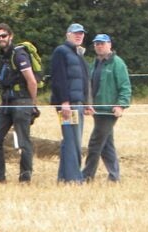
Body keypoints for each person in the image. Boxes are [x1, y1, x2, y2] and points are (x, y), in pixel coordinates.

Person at [0, 22, 39, 183]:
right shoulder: (2, 56)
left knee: (24, 141)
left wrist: (33, 104)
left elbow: (32, 81)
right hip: (6, 102)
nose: (1, 39)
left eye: (3, 35)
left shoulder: (19, 55)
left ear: (10, 36)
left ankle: (25, 178)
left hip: (22, 100)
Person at [83, 34, 131, 183]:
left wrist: (121, 105)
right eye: (96, 44)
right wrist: (87, 104)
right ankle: (114, 176)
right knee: (106, 145)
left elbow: (125, 87)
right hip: (97, 110)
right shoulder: (95, 63)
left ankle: (86, 176)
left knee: (95, 143)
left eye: (102, 43)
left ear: (109, 44)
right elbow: (90, 86)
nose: (99, 46)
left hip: (109, 111)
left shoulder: (117, 63)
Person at [49, 23, 91, 184]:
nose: (79, 35)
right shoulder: (61, 51)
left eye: (81, 33)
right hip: (68, 104)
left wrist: (87, 102)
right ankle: (74, 178)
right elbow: (59, 79)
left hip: (78, 103)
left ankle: (63, 177)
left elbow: (84, 80)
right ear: (68, 34)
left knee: (71, 141)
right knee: (72, 140)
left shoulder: (78, 54)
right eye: (75, 33)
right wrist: (64, 102)